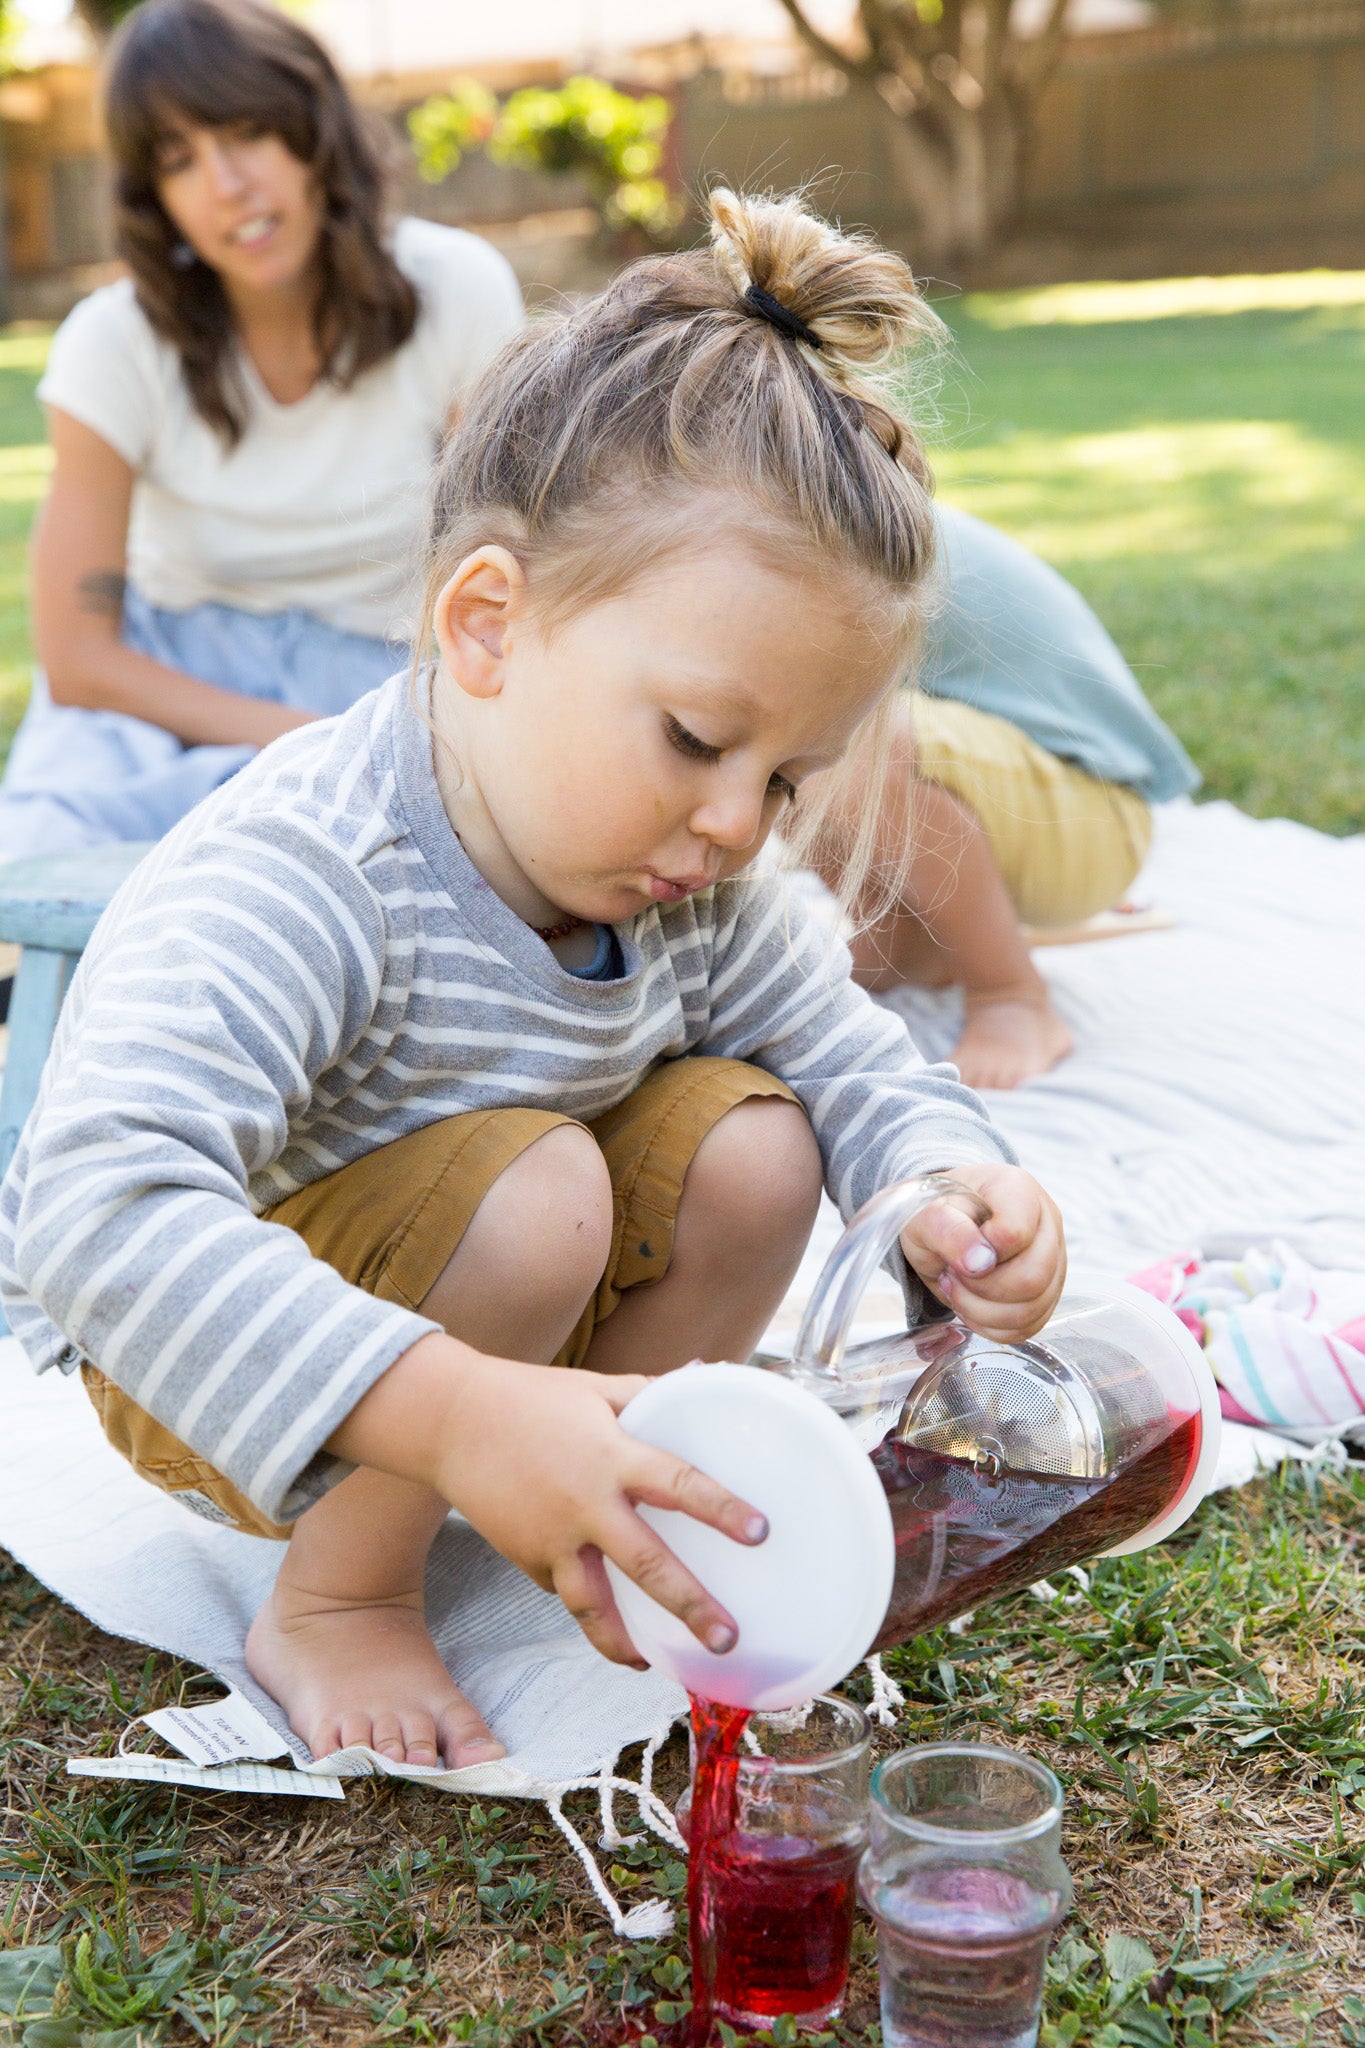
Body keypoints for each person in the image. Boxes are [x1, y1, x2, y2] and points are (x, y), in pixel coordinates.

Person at [0, 190, 1067, 1772]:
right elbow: (92, 1212)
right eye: (700, 741)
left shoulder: (693, 878)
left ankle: (587, 1494)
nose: (732, 822)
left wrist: (941, 1184)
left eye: (786, 780)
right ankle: (342, 1596)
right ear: (487, 623)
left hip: (506, 1340)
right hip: (235, 1371)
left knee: (763, 1141)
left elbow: (849, 1052)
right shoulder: (310, 865)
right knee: (548, 1189)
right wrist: (456, 1413)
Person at [0, 0, 522, 856]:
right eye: (179, 162)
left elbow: (505, 563)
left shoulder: (456, 288)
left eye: (246, 134)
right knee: (33, 870)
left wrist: (365, 735)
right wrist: (289, 733)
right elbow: (78, 658)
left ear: (313, 131)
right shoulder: (113, 342)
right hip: (169, 695)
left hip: (385, 678)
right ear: (153, 200)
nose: (225, 185)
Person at [821, 506, 1201, 1091]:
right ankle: (905, 942)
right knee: (783, 725)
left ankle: (1011, 994)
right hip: (1023, 805)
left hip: (1092, 820)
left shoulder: (840, 525)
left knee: (843, 729)